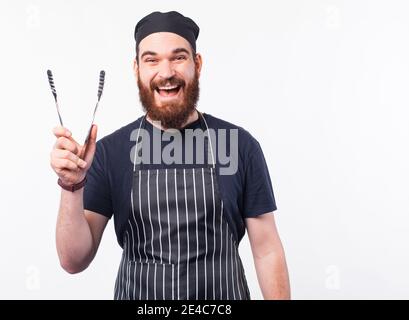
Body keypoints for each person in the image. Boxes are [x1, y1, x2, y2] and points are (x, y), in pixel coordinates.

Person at [50, 11, 290, 300]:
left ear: (197, 64)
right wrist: (72, 185)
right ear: (136, 68)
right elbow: (73, 260)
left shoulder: (239, 145)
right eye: (152, 60)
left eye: (178, 57)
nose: (166, 72)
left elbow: (266, 251)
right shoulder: (110, 152)